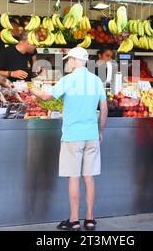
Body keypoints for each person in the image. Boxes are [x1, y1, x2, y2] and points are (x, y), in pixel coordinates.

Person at [31, 47, 108, 231]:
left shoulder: (68, 79)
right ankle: (90, 219)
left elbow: (45, 95)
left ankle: (74, 220)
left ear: (74, 60)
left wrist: (31, 88)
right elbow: (103, 110)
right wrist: (100, 131)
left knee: (73, 178)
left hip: (72, 136)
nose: (67, 62)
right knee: (89, 178)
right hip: (91, 135)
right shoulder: (96, 80)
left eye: (68, 60)